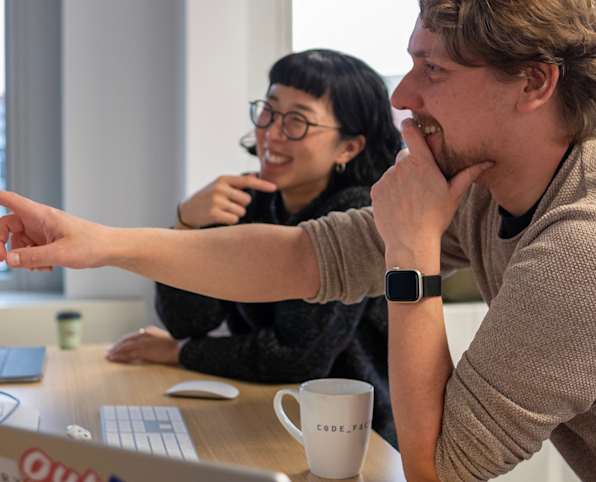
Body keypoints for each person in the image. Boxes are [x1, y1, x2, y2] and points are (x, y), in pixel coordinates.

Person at [0, 0, 596, 482]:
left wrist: (412, 254)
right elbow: (302, 257)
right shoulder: (496, 177)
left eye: (433, 71)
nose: (403, 97)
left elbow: (437, 464)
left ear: (534, 83)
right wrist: (98, 241)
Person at [104, 49, 402, 447]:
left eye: (297, 120)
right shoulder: (248, 198)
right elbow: (189, 321)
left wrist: (183, 352)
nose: (273, 133)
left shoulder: (357, 214)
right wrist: (186, 225)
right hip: (272, 411)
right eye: (269, 111)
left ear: (348, 148)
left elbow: (298, 357)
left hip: (355, 438)